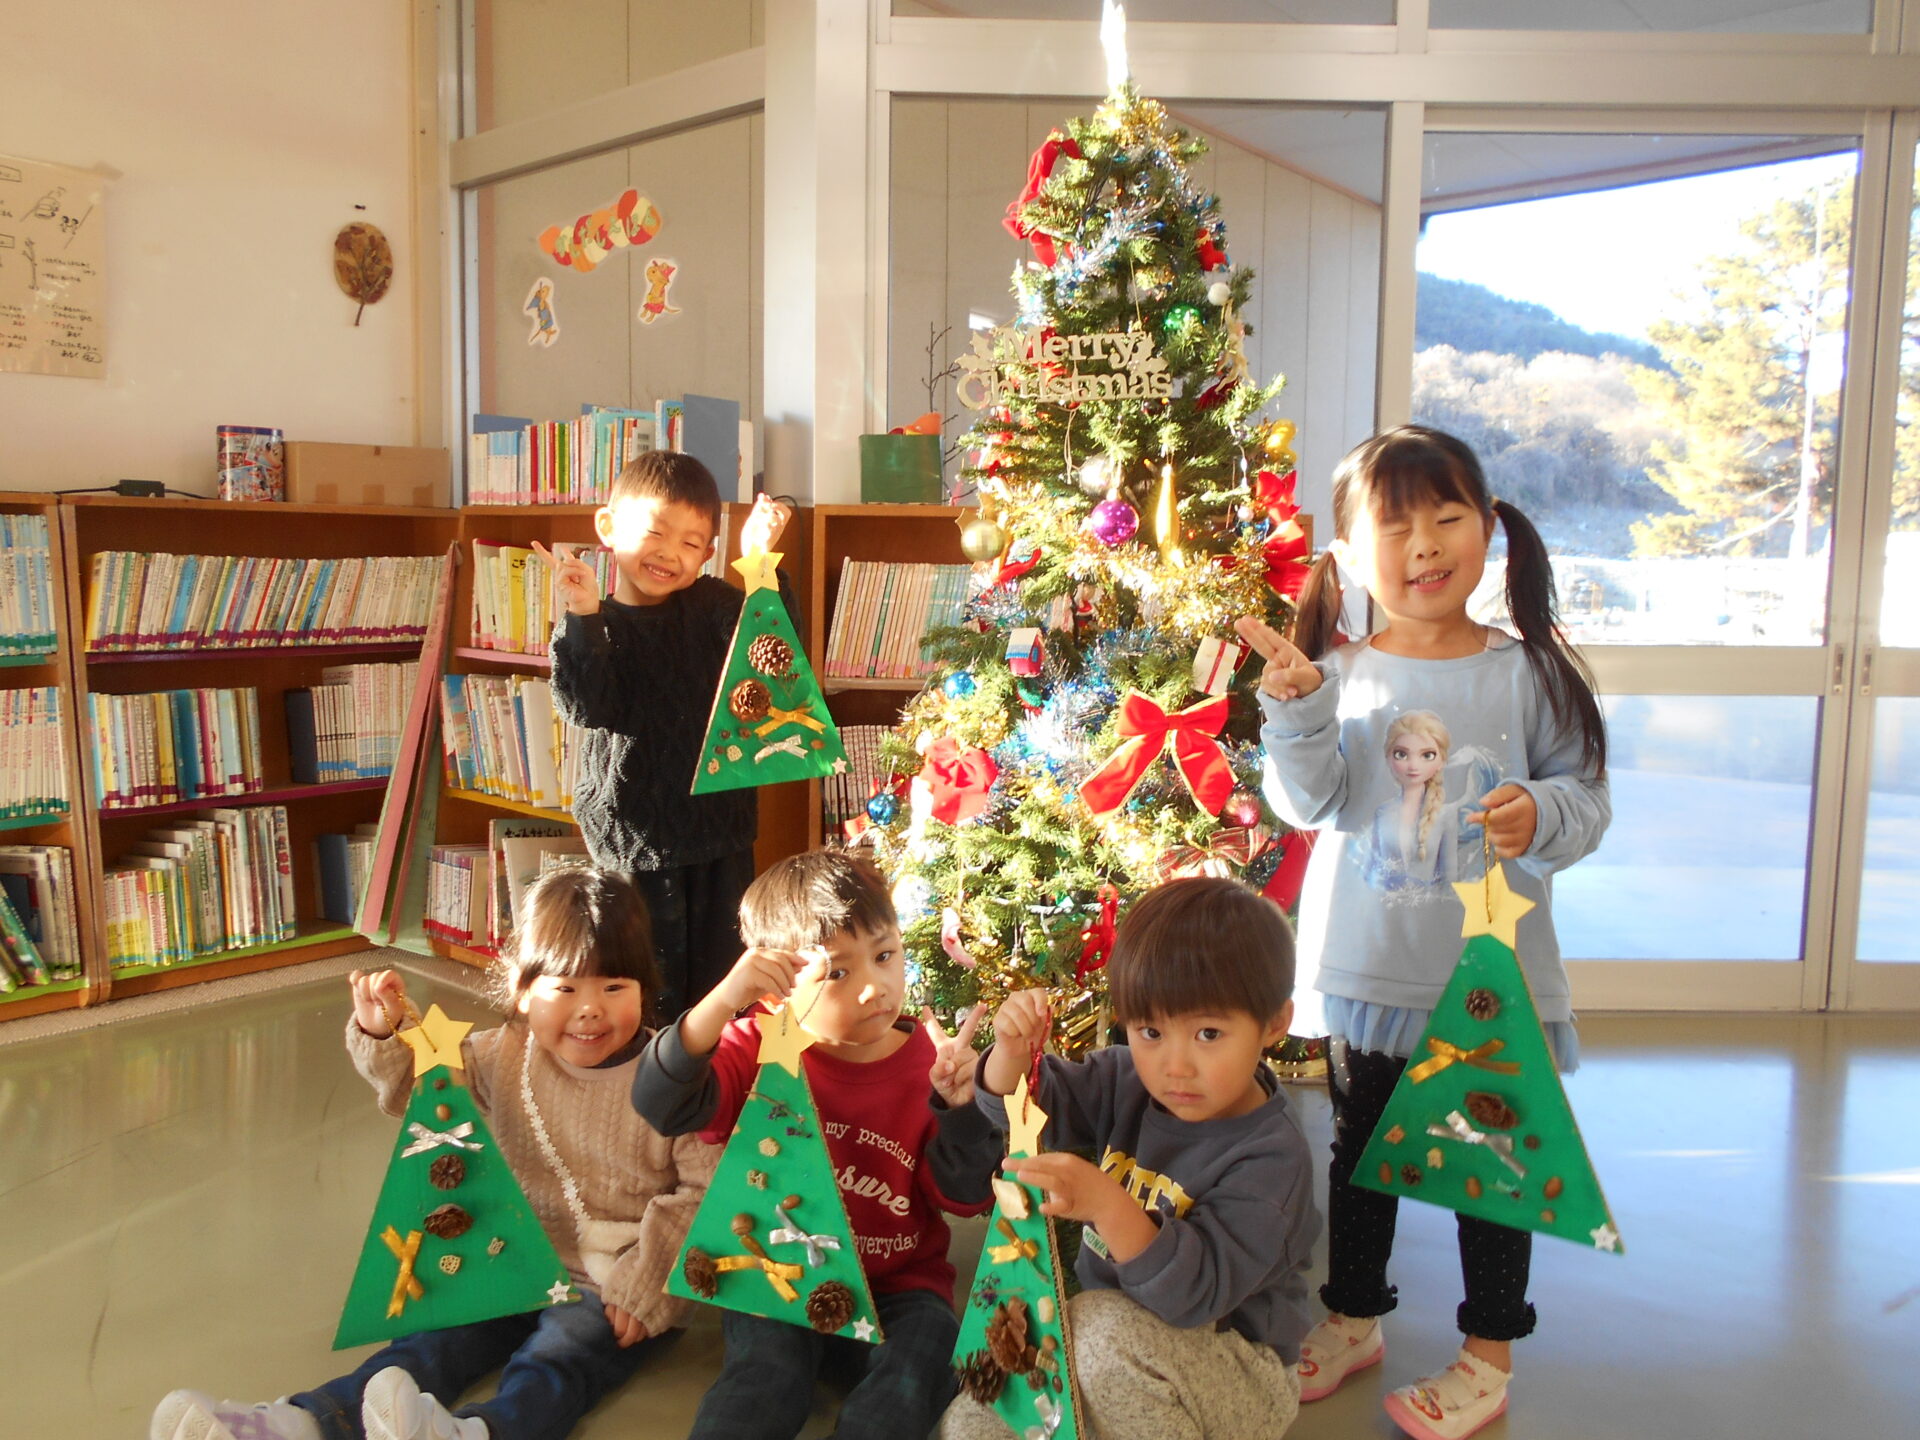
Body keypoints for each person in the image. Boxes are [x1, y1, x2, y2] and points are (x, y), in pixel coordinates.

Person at [1235, 423, 1611, 1440]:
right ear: (1348, 556)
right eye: (1394, 528)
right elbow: (1307, 805)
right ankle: (1354, 1317)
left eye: (1447, 518)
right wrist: (1296, 713)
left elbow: (1586, 800)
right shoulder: (1339, 672)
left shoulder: (1529, 674)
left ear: (1488, 528)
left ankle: (1488, 1357)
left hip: (1491, 978)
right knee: (1361, 1158)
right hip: (1368, 977)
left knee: (1490, 1174)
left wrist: (1540, 811)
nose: (1425, 545)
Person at [151, 867, 717, 1440]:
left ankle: (478, 1433)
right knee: (427, 1345)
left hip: (612, 1284)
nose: (591, 1009)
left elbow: (702, 1195)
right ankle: (306, 1421)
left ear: (644, 988)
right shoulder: (506, 1053)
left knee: (558, 1359)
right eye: (565, 989)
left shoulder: (675, 1080)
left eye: (614, 988)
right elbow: (424, 1088)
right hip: (507, 1258)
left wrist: (644, 1284)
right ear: (523, 991)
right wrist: (386, 1029)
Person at [631, 849, 1000, 1440]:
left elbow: (964, 1197)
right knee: (763, 1376)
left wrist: (962, 1111)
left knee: (927, 1358)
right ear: (774, 992)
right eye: (836, 973)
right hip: (778, 1273)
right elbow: (660, 1103)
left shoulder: (933, 1067)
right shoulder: (756, 1047)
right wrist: (723, 1000)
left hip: (899, 1288)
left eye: (885, 955)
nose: (873, 988)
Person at [939, 876, 1318, 1440]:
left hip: (1234, 1372)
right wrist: (1010, 1056)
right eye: (1151, 1031)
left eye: (1208, 1033)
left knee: (1097, 1327)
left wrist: (1107, 1206)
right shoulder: (1126, 1080)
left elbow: (1192, 1296)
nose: (1175, 1066)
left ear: (1274, 1024)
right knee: (975, 1415)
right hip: (1114, 1355)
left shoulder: (1271, 1158)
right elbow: (1027, 1107)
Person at [534, 454, 792, 1018]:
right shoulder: (595, 621)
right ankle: (643, 1070)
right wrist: (582, 614)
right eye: (655, 532)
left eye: (691, 543)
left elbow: (774, 658)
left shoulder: (713, 605)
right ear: (608, 527)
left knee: (725, 987)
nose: (670, 553)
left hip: (719, 829)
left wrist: (758, 561)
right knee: (640, 989)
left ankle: (718, 1067)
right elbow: (584, 706)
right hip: (632, 836)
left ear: (709, 553)